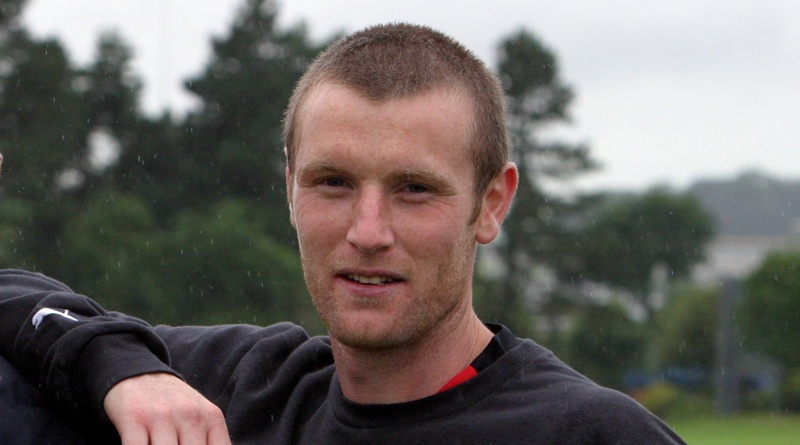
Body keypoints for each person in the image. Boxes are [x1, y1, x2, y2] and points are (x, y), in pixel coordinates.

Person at [0, 24, 686, 444]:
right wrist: (117, 365)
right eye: (333, 182)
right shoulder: (228, 390)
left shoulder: (587, 433)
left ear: (491, 203)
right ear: (290, 184)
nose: (368, 231)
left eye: (414, 189)